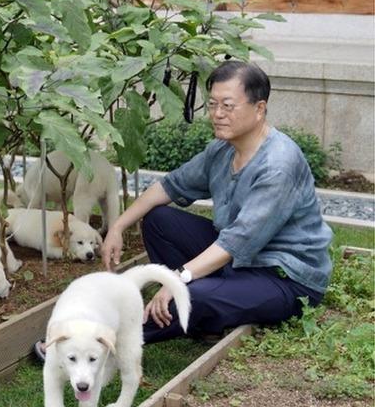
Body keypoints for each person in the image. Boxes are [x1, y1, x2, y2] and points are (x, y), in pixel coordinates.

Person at [100, 60, 333, 344]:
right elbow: (170, 185)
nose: (217, 114)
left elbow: (238, 241)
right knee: (159, 221)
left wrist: (178, 279)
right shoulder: (222, 150)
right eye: (212, 105)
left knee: (192, 294)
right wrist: (118, 226)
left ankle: (99, 341)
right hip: (239, 263)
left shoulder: (278, 165)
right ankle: (208, 316)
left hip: (283, 278)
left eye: (228, 105)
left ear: (259, 109)